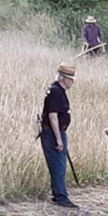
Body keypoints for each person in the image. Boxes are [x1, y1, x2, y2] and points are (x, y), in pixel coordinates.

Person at [40, 63, 78, 208]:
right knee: (58, 165)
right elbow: (53, 116)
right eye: (71, 79)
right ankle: (61, 197)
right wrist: (58, 138)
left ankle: (58, 194)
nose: (73, 82)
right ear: (64, 79)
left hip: (54, 132)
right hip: (53, 133)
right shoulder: (56, 92)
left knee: (58, 164)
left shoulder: (57, 90)